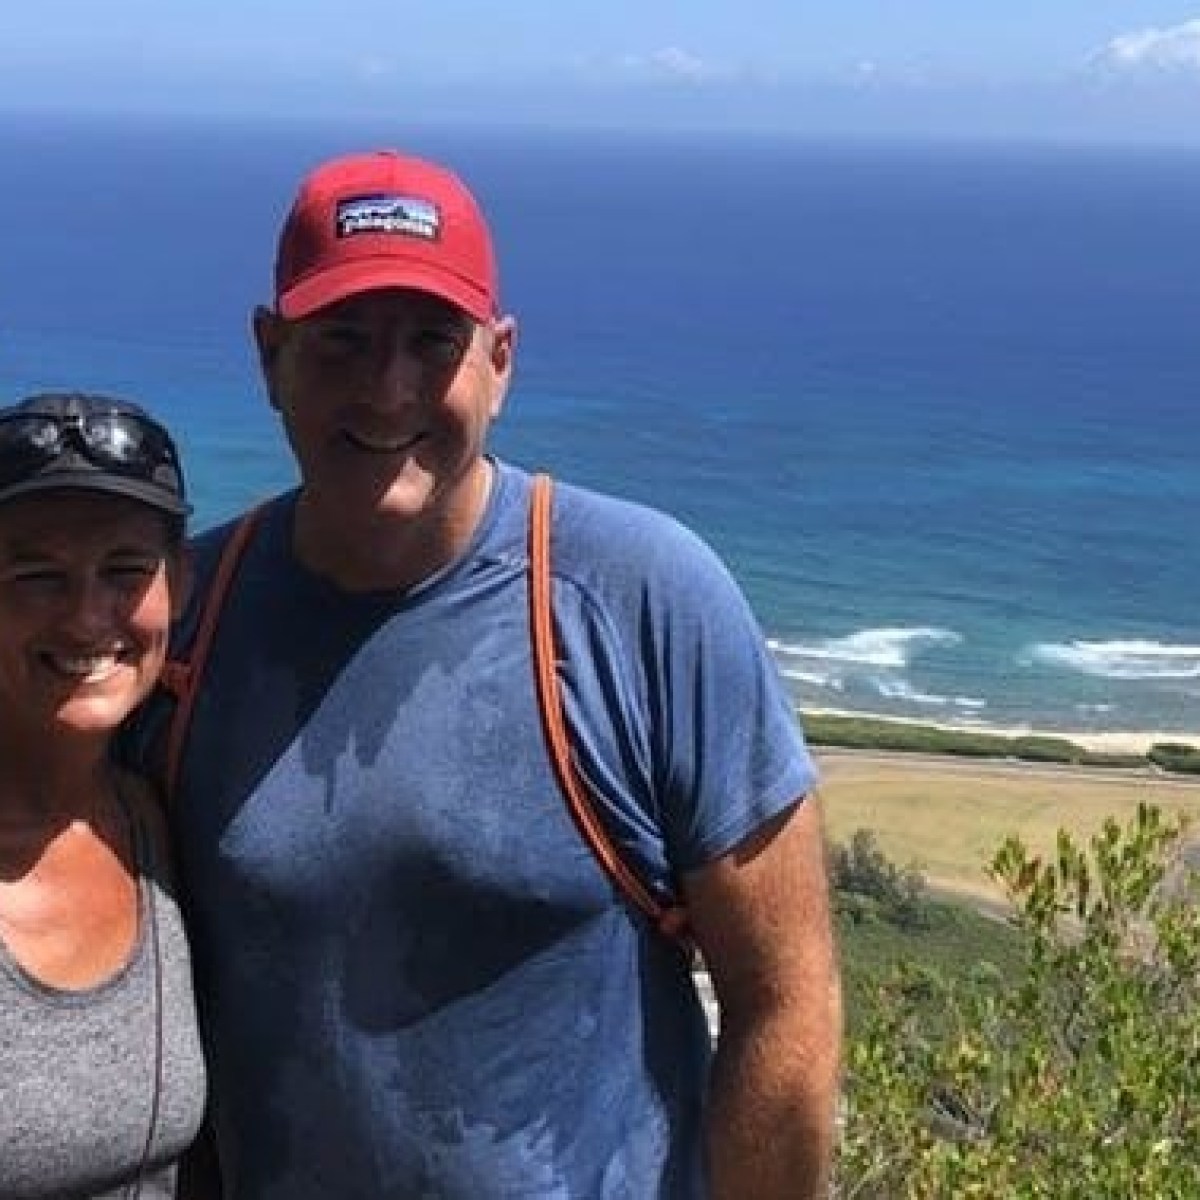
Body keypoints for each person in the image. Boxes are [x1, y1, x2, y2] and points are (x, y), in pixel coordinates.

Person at [133, 150, 841, 1198]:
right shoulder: (181, 617)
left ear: (500, 362)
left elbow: (786, 996)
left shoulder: (639, 598)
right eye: (340, 342)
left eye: (434, 341)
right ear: (268, 354)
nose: (388, 390)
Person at [0, 393, 207, 1197]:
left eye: (125, 571)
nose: (88, 617)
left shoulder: (159, 819)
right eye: (35, 575)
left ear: (179, 584)